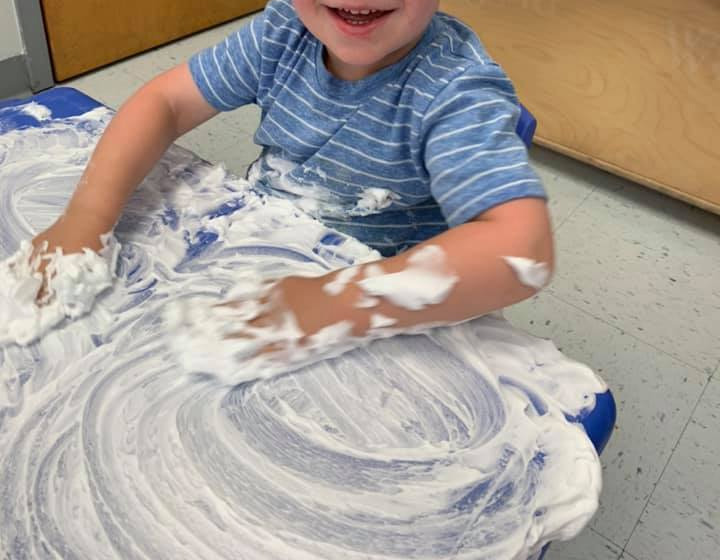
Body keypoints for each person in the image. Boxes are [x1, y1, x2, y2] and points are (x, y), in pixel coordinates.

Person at [33, 0, 554, 344]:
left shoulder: (456, 90)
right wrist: (85, 218)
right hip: (266, 253)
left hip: (386, 310)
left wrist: (334, 303)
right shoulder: (283, 30)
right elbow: (166, 102)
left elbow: (520, 250)